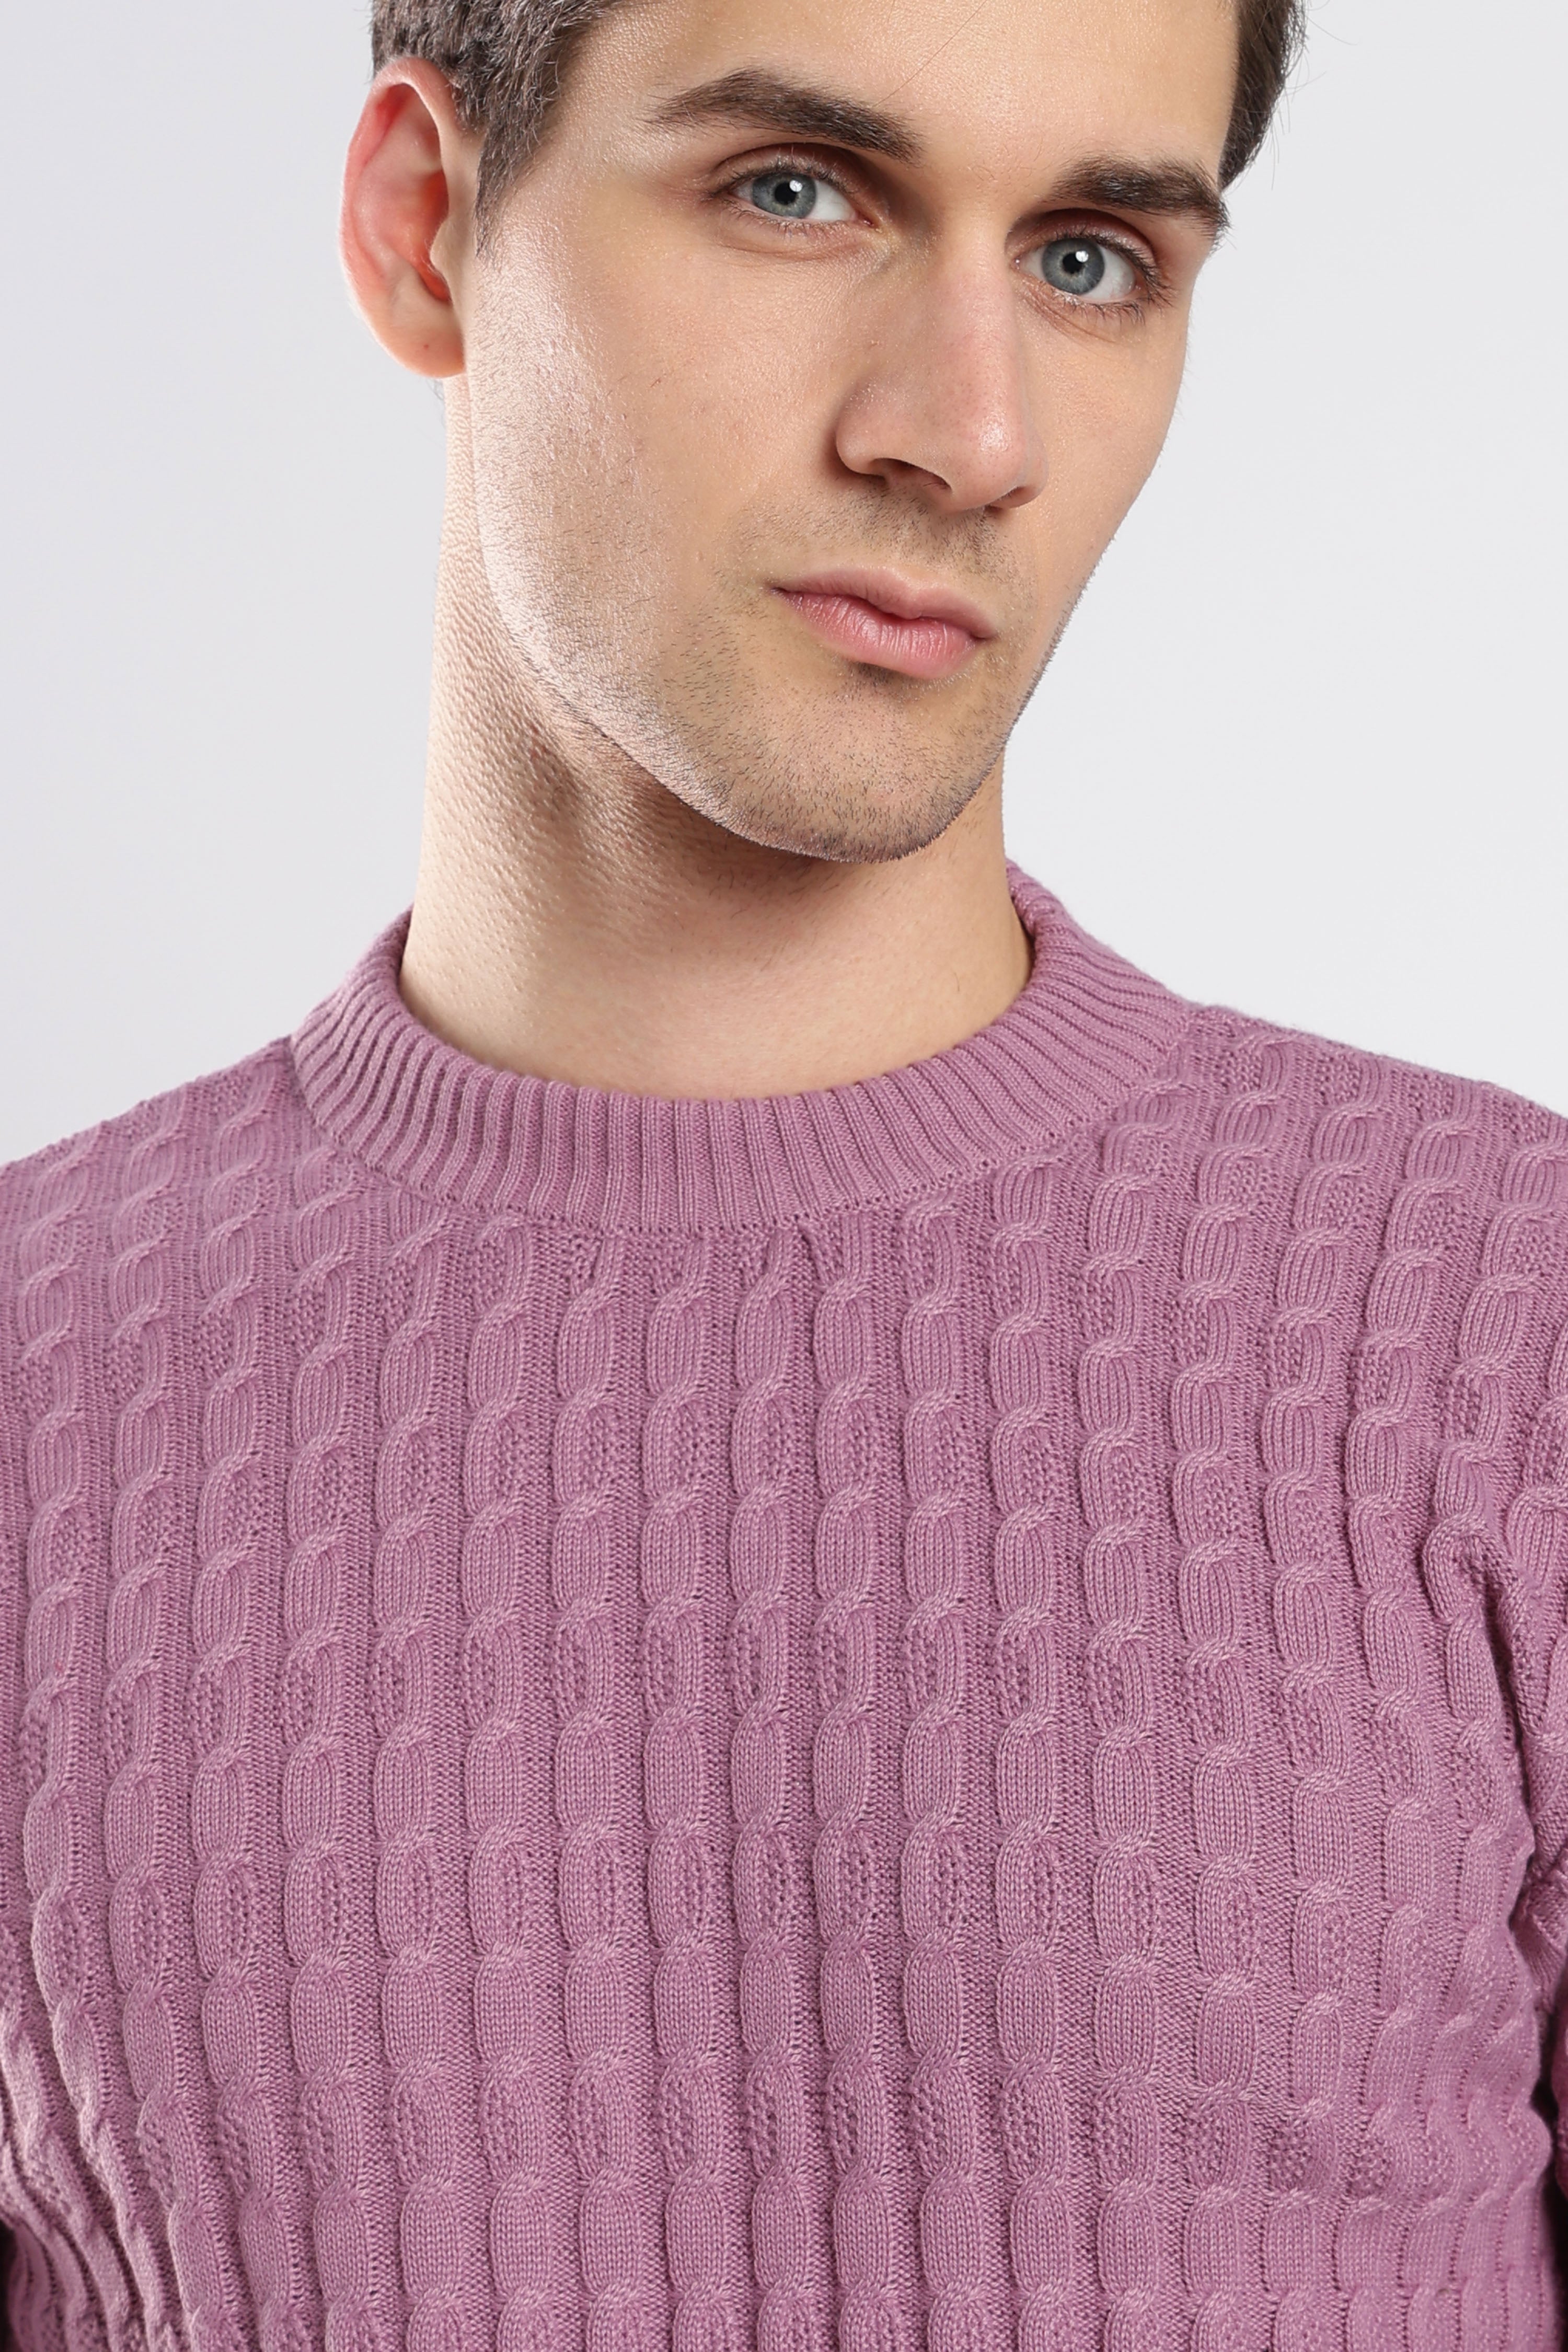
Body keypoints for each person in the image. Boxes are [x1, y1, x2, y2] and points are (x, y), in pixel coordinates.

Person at [1, 0, 1565, 2344]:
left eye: (1092, 256)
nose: (968, 435)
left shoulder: (1506, 1330)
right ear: (425, 228)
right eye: (797, 192)